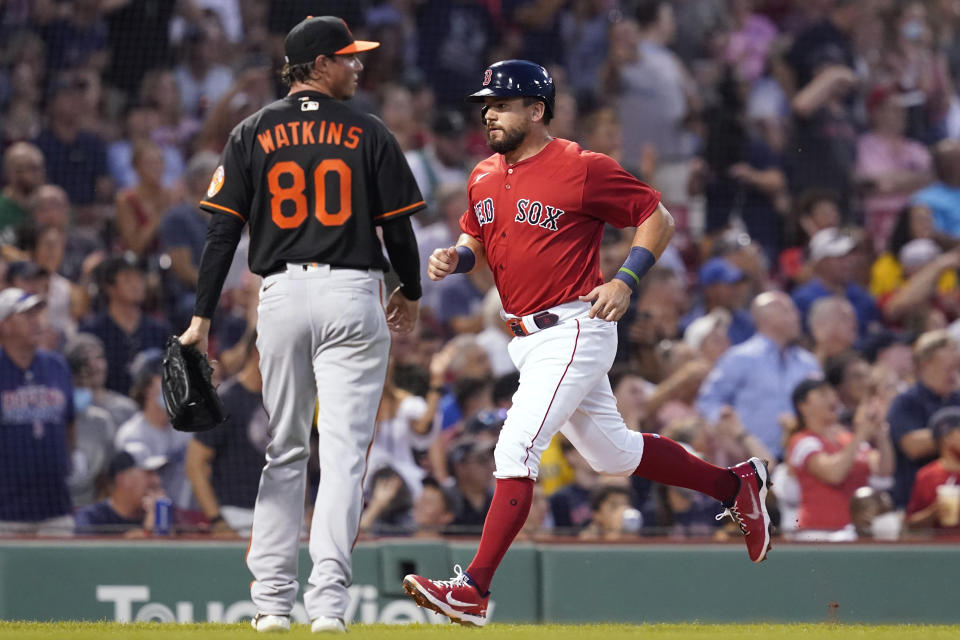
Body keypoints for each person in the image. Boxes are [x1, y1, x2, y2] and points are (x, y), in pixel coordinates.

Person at [402, 60, 773, 628]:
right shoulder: (484, 173)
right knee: (613, 454)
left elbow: (658, 217)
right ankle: (735, 484)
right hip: (525, 337)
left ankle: (473, 590)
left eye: (502, 103)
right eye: (487, 104)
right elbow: (477, 229)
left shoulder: (579, 166)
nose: (490, 113)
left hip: (575, 325)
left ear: (537, 109)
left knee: (515, 450)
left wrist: (625, 281)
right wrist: (459, 257)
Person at [176, 16, 424, 634]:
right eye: (348, 57)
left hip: (280, 294)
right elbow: (398, 228)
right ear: (317, 64)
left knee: (284, 449)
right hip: (349, 292)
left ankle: (269, 608)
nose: (358, 66)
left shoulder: (251, 130)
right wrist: (412, 291)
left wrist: (200, 319)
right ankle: (330, 609)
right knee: (341, 457)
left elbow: (221, 232)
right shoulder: (367, 130)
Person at [697, 291, 821, 458]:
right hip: (751, 459)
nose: (797, 316)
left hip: (801, 460)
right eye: (788, 311)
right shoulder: (740, 357)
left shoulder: (808, 362)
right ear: (766, 318)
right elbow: (708, 401)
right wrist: (727, 429)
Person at [0, 288, 75, 536]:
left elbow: (70, 425)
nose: (36, 322)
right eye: (26, 316)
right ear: (5, 325)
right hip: (6, 513)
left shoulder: (57, 365)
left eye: (38, 314)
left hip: (55, 508)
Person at [785, 378, 894, 540]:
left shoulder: (847, 439)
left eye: (832, 393)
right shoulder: (802, 441)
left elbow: (883, 471)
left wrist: (880, 433)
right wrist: (860, 435)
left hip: (856, 532)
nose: (832, 399)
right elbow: (834, 475)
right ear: (803, 406)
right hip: (819, 533)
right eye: (822, 394)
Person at [185, 338, 267, 537]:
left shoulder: (284, 398)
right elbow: (195, 463)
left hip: (284, 513)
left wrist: (305, 507)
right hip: (238, 515)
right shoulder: (226, 400)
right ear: (258, 354)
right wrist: (217, 520)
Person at [887, 330, 960, 508]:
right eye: (948, 368)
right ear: (926, 365)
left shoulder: (957, 399)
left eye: (957, 368)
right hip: (916, 505)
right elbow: (912, 445)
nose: (954, 375)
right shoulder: (906, 402)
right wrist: (951, 435)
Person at [74, 447, 169, 536]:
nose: (157, 480)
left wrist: (159, 523)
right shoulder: (91, 517)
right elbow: (89, 553)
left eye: (157, 474)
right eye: (149, 473)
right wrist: (146, 532)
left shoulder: (162, 513)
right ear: (123, 479)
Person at [906, 407, 960, 530]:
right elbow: (911, 524)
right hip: (941, 546)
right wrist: (933, 513)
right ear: (946, 438)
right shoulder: (927, 475)